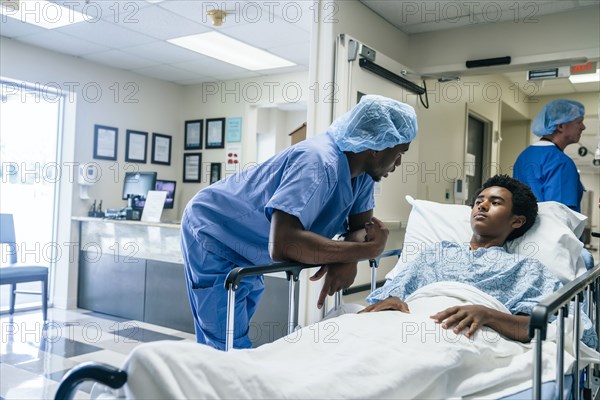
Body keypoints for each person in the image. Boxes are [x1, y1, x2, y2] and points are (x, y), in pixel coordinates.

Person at [180, 95, 418, 350]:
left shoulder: (363, 177)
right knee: (226, 343)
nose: (399, 162)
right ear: (377, 146)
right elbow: (283, 246)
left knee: (238, 325)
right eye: (399, 152)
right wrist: (365, 251)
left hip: (249, 245)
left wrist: (348, 257)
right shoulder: (317, 162)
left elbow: (361, 229)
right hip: (213, 229)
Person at [361, 175, 596, 347]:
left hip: (462, 339)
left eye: (495, 203)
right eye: (479, 201)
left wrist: (488, 315)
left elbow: (557, 327)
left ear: (517, 221)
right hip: (403, 326)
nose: (482, 205)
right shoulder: (437, 253)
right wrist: (391, 299)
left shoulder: (525, 269)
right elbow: (390, 294)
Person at [513, 99, 586, 212]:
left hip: (524, 228)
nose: (583, 127)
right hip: (553, 228)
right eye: (579, 122)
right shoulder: (560, 161)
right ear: (561, 126)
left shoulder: (523, 157)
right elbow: (560, 213)